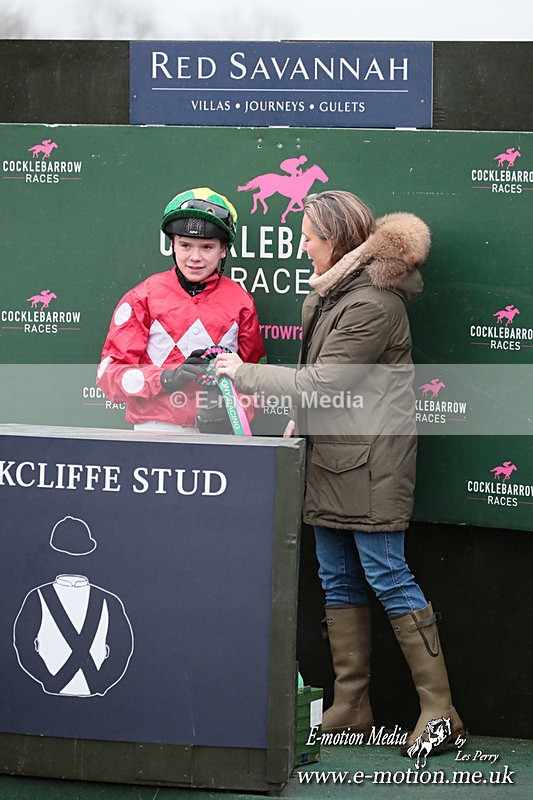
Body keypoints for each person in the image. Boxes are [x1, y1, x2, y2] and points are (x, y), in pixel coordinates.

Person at [215, 190, 465, 753]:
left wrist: (242, 372)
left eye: (309, 238)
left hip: (371, 466)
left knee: (388, 577)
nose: (302, 247)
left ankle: (440, 713)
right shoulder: (338, 293)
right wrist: (300, 420)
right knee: (337, 580)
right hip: (331, 458)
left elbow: (325, 382)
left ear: (338, 241)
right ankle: (351, 707)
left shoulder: (371, 303)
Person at [97, 187, 265, 433]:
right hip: (155, 431)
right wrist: (166, 378)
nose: (195, 257)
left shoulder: (242, 303)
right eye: (185, 245)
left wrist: (234, 412)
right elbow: (109, 376)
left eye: (206, 247)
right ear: (172, 245)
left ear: (223, 249)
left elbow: (256, 380)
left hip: (217, 435)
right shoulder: (142, 298)